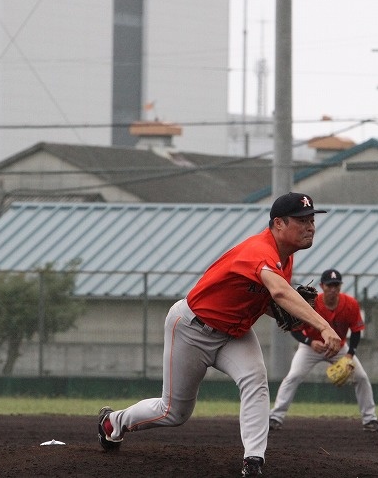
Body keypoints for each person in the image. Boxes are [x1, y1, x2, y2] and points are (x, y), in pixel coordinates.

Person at [97, 192, 342, 477]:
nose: (310, 226)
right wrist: (324, 326)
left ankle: (253, 460)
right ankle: (113, 423)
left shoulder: (284, 261)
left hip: (235, 333)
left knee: (255, 381)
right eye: (302, 220)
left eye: (311, 220)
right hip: (192, 329)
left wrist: (281, 312)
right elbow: (278, 292)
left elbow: (265, 299)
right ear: (278, 223)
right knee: (173, 412)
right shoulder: (258, 250)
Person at [268, 268, 378, 433]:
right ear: (322, 286)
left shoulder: (350, 304)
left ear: (340, 286)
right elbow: (295, 330)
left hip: (339, 348)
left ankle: (370, 419)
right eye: (329, 285)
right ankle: (275, 417)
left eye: (336, 285)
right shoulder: (312, 303)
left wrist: (350, 355)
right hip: (311, 347)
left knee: (361, 377)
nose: (333, 289)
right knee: (293, 376)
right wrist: (310, 342)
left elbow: (356, 331)